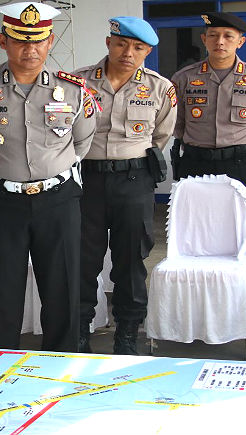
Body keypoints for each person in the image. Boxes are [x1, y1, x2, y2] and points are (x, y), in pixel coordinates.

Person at [0, 1, 97, 352]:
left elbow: (82, 142)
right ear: (3, 42)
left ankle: (63, 366)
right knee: (1, 294)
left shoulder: (74, 90)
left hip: (58, 200)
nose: (30, 49)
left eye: (38, 40)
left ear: (50, 41)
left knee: (62, 290)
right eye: (20, 40)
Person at [74, 17, 177, 355]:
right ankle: (78, 332)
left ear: (146, 51)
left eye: (138, 47)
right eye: (121, 44)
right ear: (108, 43)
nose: (128, 52)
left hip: (134, 181)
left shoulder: (160, 88)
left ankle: (127, 334)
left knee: (130, 262)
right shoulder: (77, 82)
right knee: (81, 260)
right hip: (85, 181)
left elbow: (160, 135)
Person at [171, 12, 246, 333]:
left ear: (240, 42)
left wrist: (239, 149)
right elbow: (175, 123)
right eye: (213, 35)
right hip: (196, 163)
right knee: (196, 234)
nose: (220, 42)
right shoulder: (184, 78)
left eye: (228, 37)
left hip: (241, 163)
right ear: (204, 39)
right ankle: (199, 308)